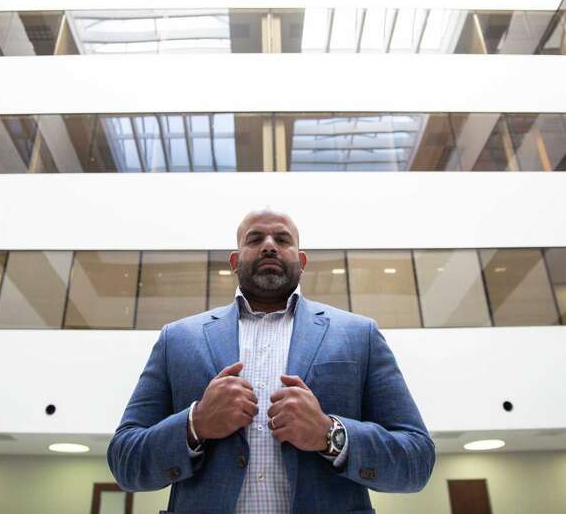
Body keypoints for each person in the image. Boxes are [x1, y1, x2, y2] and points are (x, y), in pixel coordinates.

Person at [108, 208, 435, 513]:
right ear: (234, 261)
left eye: (282, 239)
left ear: (301, 260)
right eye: (255, 239)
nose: (269, 246)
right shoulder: (177, 339)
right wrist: (195, 424)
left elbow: (416, 461)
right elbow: (125, 460)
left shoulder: (359, 334)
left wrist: (329, 434)